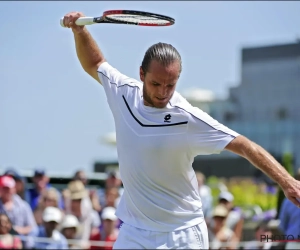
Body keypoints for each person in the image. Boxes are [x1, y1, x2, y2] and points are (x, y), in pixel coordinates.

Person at [61, 12, 300, 249]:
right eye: (156, 83)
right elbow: (94, 62)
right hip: (134, 231)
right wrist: (79, 31)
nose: (163, 92)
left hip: (183, 233)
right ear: (142, 74)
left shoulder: (187, 117)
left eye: (171, 85)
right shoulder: (122, 91)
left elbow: (245, 146)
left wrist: (288, 182)